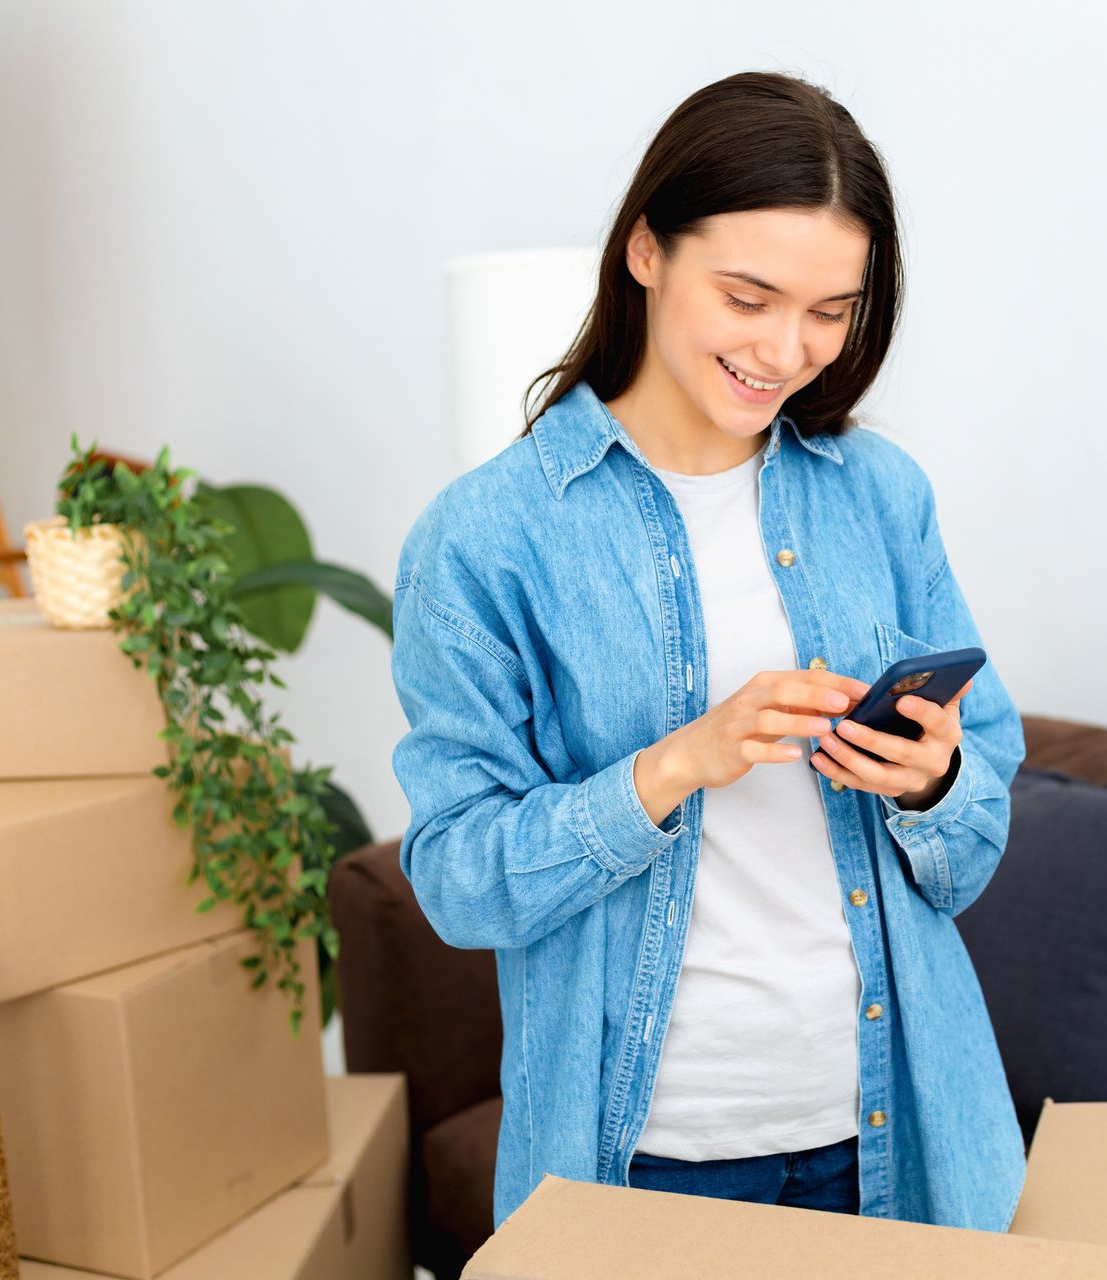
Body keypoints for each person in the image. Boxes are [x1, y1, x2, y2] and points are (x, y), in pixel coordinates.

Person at [389, 69, 1027, 1237]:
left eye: (831, 310)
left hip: (895, 1135)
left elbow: (973, 845)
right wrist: (673, 763)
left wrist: (933, 780)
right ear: (646, 250)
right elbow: (457, 878)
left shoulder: (880, 496)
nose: (788, 348)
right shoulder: (487, 539)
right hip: (648, 1157)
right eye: (749, 296)